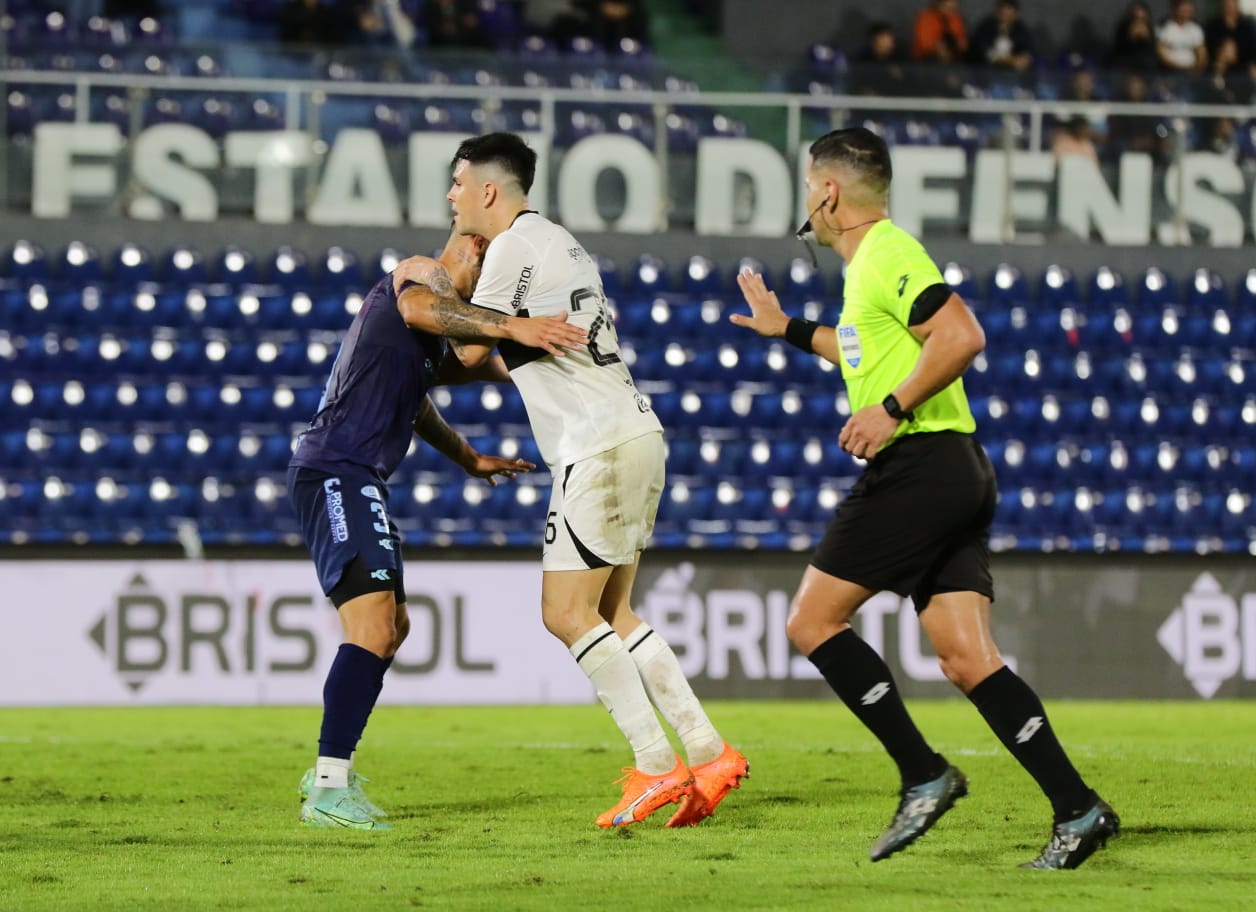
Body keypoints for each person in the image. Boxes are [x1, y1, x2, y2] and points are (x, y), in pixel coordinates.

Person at [730, 126, 1119, 869]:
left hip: (921, 464)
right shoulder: (867, 272)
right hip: (956, 468)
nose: (805, 199)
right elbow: (859, 346)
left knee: (812, 621)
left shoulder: (887, 253)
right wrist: (788, 329)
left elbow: (961, 333)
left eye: (809, 183)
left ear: (828, 192)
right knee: (968, 659)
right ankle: (1079, 809)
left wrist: (893, 407)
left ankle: (923, 773)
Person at [393, 132, 748, 828]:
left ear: (488, 191)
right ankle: (707, 753)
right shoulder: (556, 243)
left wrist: (421, 338)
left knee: (565, 614)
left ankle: (654, 764)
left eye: (458, 182)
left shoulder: (517, 249)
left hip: (599, 442)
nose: (451, 195)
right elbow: (511, 349)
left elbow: (469, 344)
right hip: (629, 430)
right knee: (613, 614)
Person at [291, 225, 586, 829]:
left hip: (356, 475)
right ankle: (328, 786)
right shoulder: (420, 274)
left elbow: (428, 392)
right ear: (479, 248)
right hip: (335, 470)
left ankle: (329, 770)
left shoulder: (420, 344)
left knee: (393, 625)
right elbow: (421, 305)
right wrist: (510, 326)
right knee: (372, 628)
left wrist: (470, 456)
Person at [968, 0, 1034, 72]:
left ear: (1015, 13)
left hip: (1012, 73)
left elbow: (1027, 48)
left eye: (1008, 8)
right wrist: (1005, 60)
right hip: (985, 71)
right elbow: (982, 49)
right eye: (1001, 7)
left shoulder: (1020, 29)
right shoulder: (986, 27)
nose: (1004, 11)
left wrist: (1024, 59)